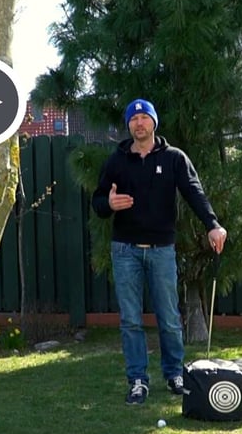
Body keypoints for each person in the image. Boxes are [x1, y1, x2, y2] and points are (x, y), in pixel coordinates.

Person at [91, 98, 228, 405]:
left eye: (144, 117)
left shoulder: (174, 158)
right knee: (130, 320)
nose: (139, 123)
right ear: (128, 125)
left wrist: (213, 224)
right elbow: (98, 202)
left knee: (168, 317)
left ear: (154, 122)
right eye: (134, 118)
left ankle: (174, 375)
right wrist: (108, 205)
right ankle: (138, 380)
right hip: (125, 250)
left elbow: (194, 191)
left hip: (162, 250)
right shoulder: (117, 160)